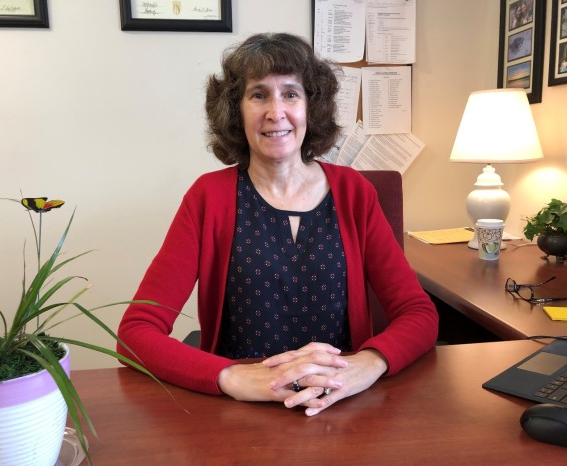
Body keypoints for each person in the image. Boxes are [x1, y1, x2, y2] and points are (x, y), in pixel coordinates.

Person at [117, 32, 438, 416]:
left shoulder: (355, 192)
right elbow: (135, 333)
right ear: (235, 110)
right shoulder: (208, 198)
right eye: (258, 95)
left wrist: (368, 363)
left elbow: (419, 313)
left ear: (311, 107)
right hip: (241, 409)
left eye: (290, 93)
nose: (275, 111)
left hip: (340, 402)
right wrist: (231, 376)